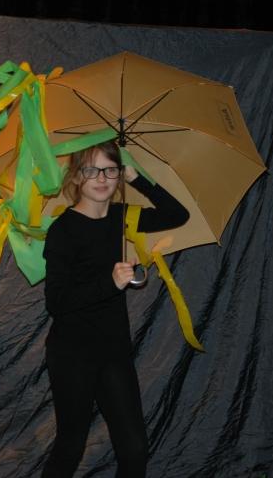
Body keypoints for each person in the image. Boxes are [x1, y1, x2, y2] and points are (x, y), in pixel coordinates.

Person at [41, 141, 189, 477]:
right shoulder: (63, 230)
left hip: (113, 351)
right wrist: (109, 282)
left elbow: (177, 215)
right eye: (91, 170)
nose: (102, 178)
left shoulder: (124, 217)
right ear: (76, 176)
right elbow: (57, 303)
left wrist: (139, 179)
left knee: (135, 450)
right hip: (72, 354)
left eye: (110, 170)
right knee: (70, 447)